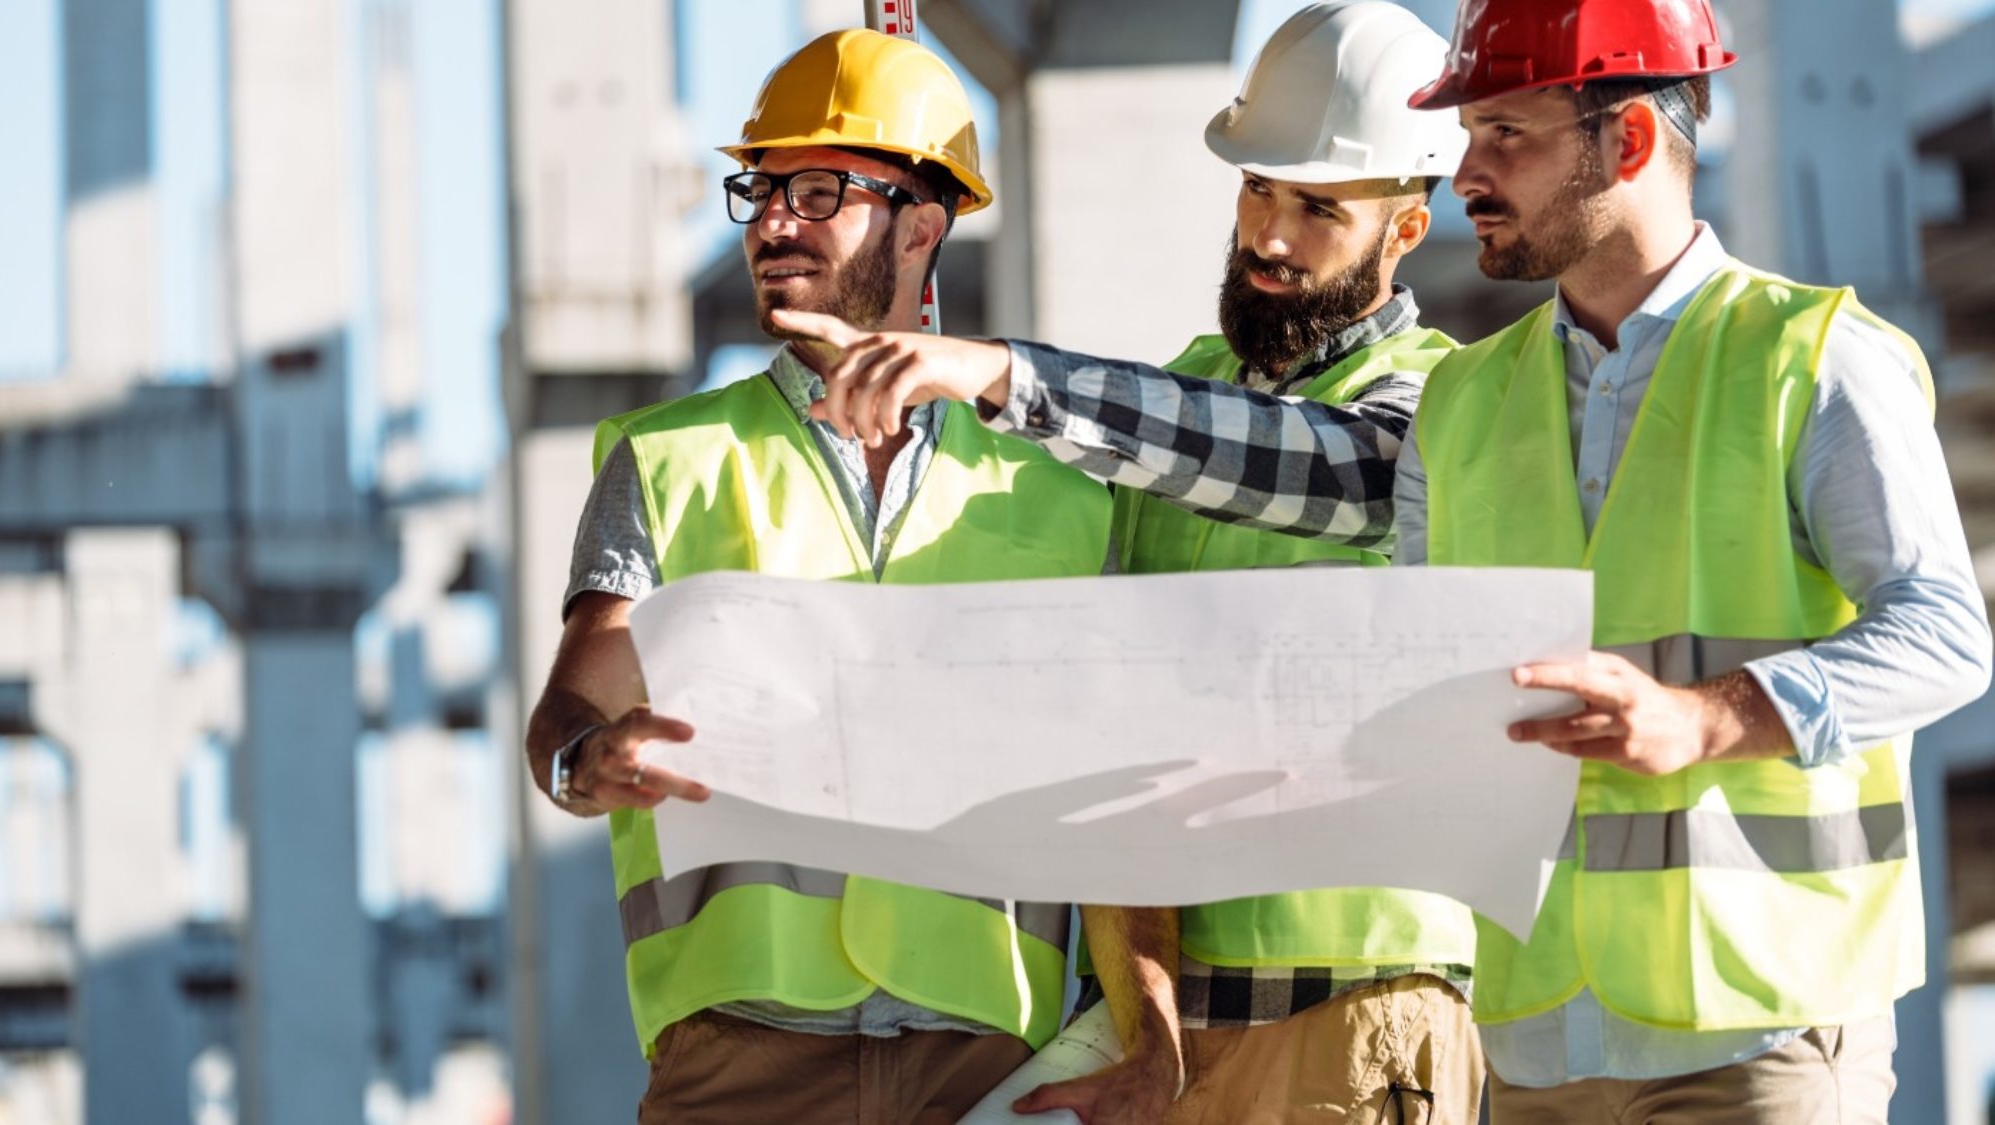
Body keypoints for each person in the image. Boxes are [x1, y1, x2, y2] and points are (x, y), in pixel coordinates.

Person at [773, 5, 1485, 1120]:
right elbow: (1122, 734)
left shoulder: (1439, 403)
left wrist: (1004, 376)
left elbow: (1326, 474)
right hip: (1172, 1023)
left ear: (1404, 229)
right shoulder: (1182, 396)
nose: (1271, 238)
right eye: (1257, 188)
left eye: (1317, 208)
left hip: (1357, 1000)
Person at [1395, 0, 1993, 1120]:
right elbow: (1421, 675)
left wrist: (1704, 717)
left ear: (1623, 142)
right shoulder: (1456, 401)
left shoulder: (1811, 362)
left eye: (1503, 135)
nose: (1462, 174)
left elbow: (1944, 638)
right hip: (1530, 1040)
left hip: (1759, 1031)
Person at [522, 29, 1111, 1124]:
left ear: (922, 227)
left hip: (983, 1060)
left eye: (818, 189)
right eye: (758, 191)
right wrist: (585, 763)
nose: (771, 221)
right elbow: (566, 715)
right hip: (739, 1064)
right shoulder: (665, 459)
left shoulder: (1057, 489)